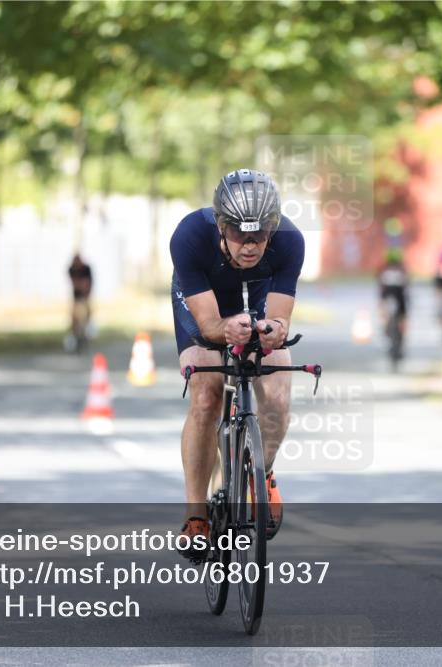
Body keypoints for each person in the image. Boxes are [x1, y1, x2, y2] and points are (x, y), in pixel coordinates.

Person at [169, 169, 304, 560]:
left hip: (257, 300)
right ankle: (197, 516)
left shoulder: (290, 240)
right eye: (239, 234)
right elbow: (209, 325)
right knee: (206, 394)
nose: (250, 245)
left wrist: (274, 331)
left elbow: (280, 319)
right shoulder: (190, 236)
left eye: (260, 234)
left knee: (277, 392)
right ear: (221, 226)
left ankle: (262, 473)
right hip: (205, 304)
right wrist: (225, 329)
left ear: (273, 228)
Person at [377, 248, 408, 365]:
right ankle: (395, 334)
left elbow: (381, 288)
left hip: (392, 299)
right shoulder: (401, 270)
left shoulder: (384, 270)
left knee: (388, 317)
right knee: (401, 319)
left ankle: (388, 331)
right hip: (397, 299)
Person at [66, 253, 93, 352]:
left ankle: (85, 337)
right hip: (76, 298)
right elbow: (75, 284)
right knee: (75, 319)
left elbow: (87, 284)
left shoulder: (86, 269)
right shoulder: (71, 269)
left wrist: (84, 288)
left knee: (86, 317)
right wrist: (81, 284)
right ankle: (76, 337)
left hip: (85, 297)